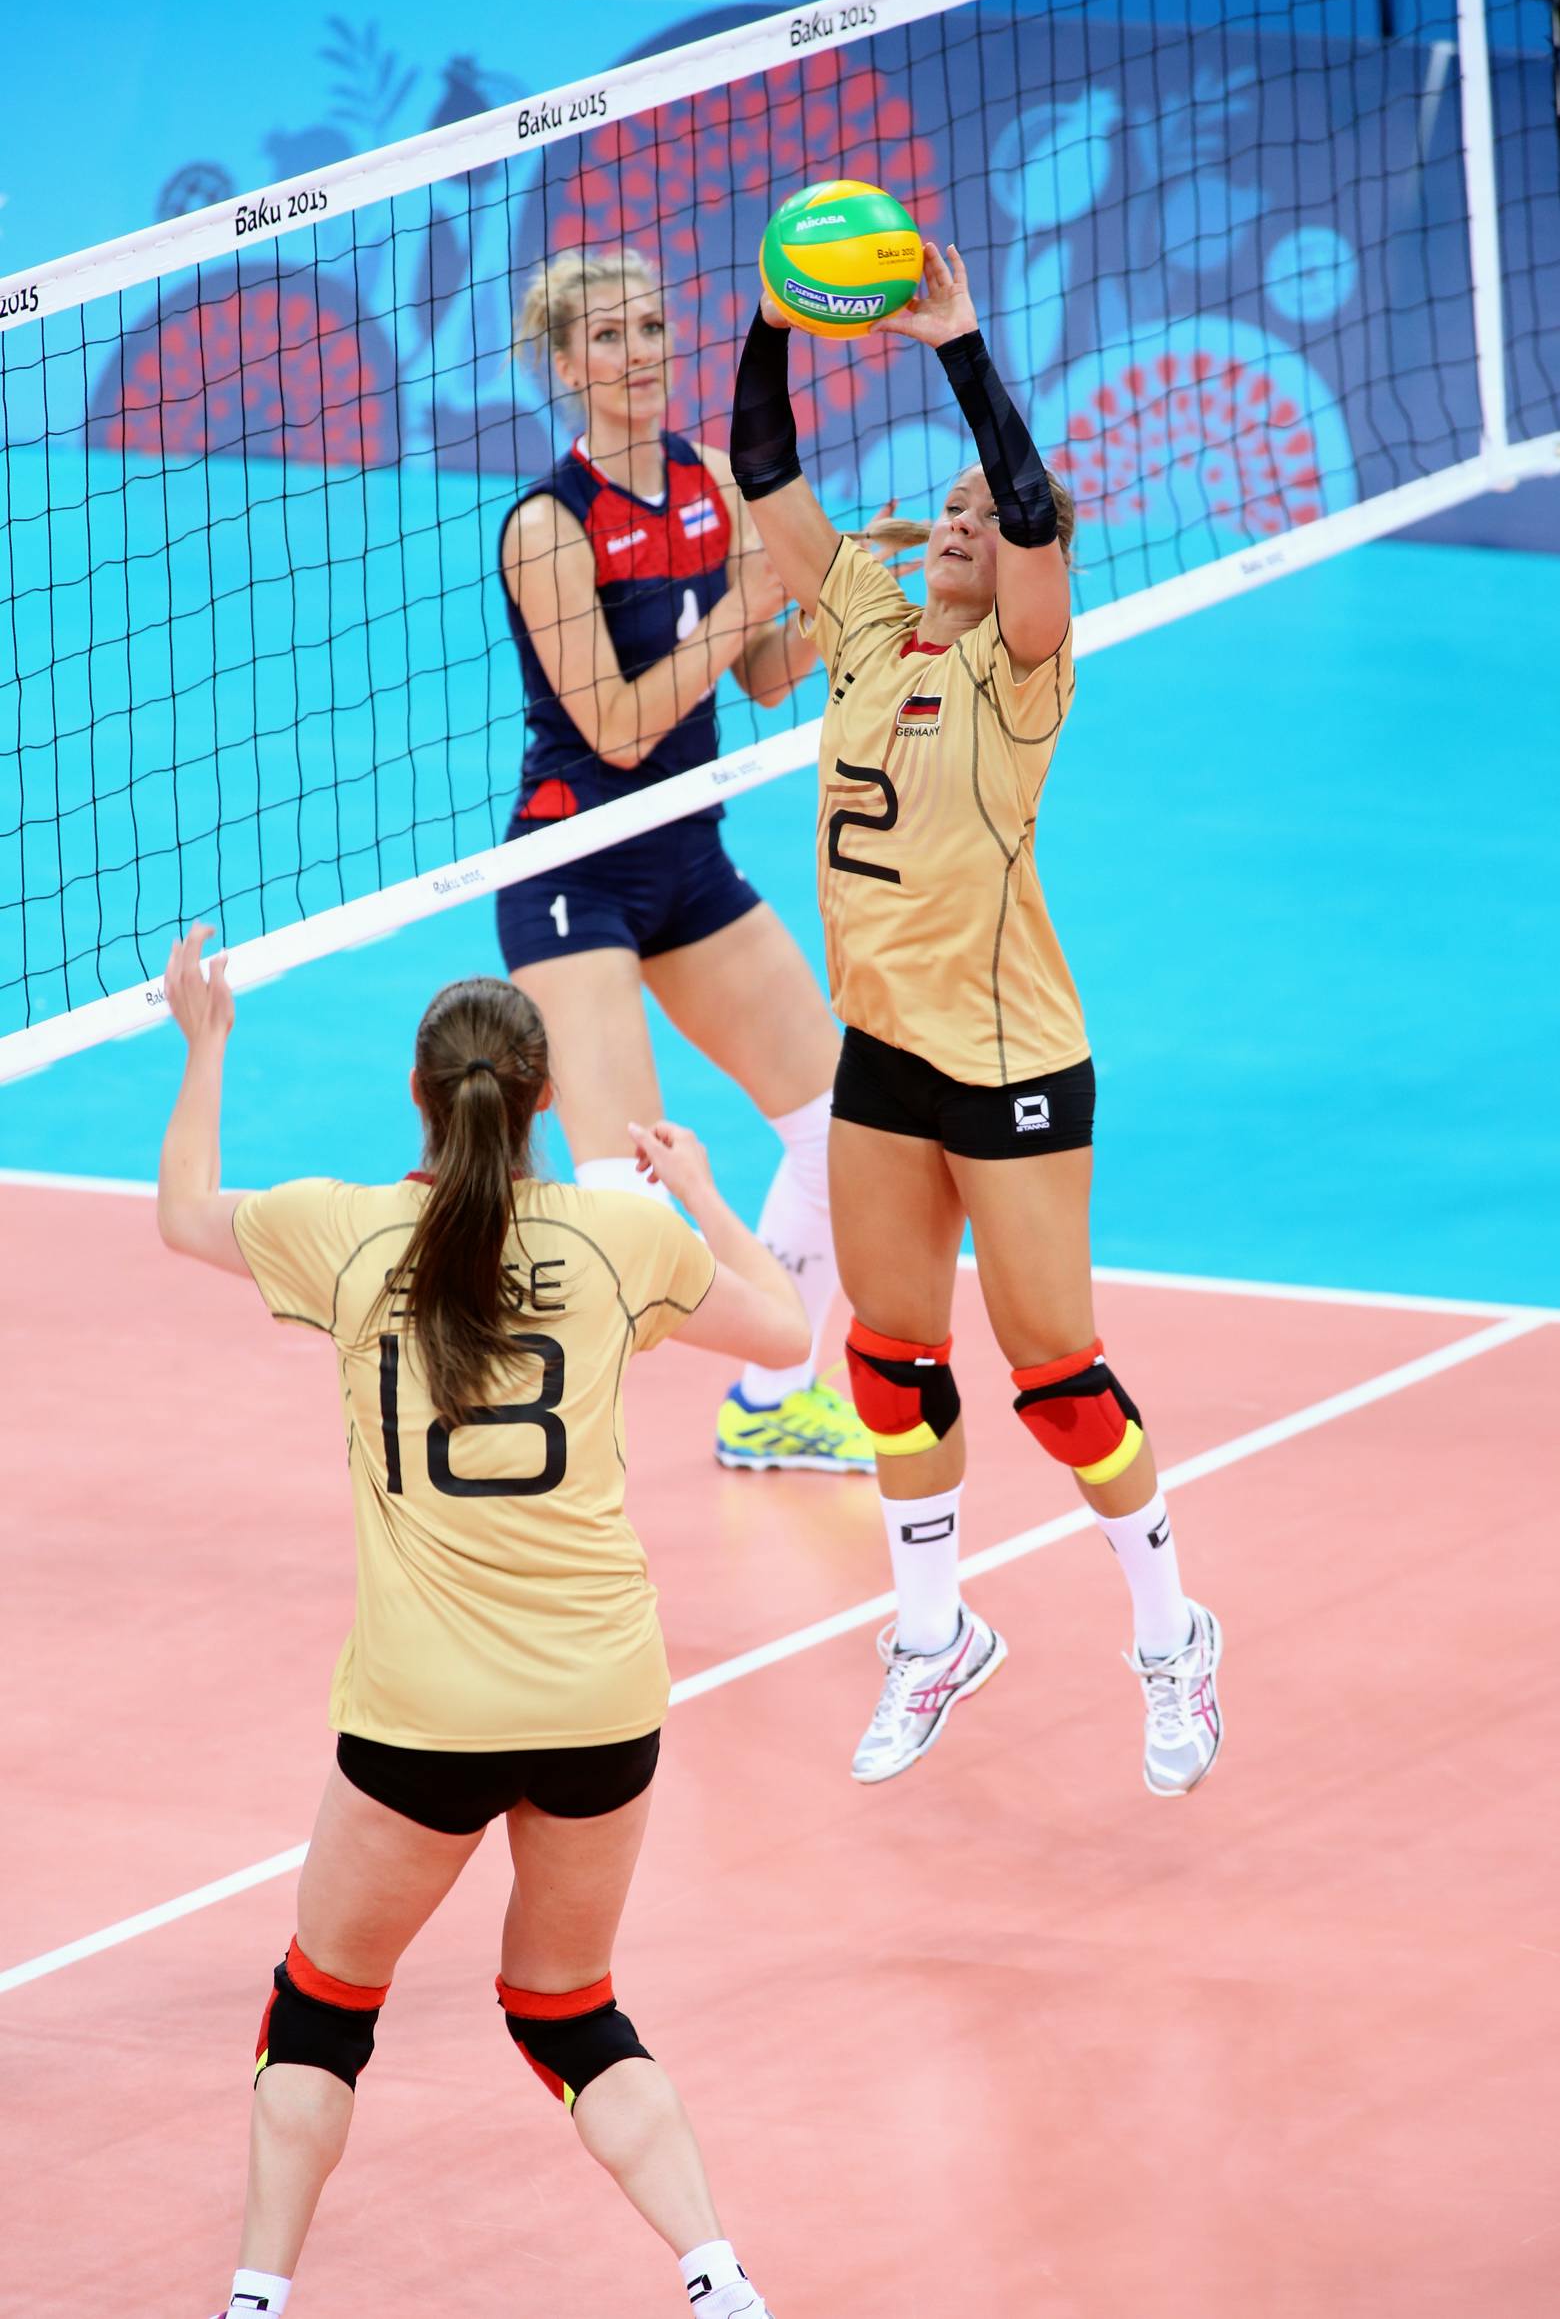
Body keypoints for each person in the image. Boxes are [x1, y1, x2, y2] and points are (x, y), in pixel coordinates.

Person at [157, 927, 804, 2319]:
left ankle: (257, 2301)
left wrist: (206, 1047)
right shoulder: (624, 1238)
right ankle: (717, 2278)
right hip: (601, 1703)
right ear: (545, 1099)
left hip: (423, 1714)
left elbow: (186, 1213)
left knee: (326, 2000)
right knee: (567, 2005)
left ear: (417, 1093)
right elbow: (786, 1334)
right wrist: (699, 1194)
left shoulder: (341, 1233)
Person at [727, 243, 1224, 1794]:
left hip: (1013, 1062)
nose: (955, 524)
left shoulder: (1025, 672)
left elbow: (1026, 506)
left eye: (975, 519)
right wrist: (771, 318)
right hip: (884, 1053)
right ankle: (934, 1634)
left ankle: (1171, 1638)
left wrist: (958, 347)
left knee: (1057, 1376)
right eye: (938, 512)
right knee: (887, 1361)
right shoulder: (867, 629)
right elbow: (765, 467)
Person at [497, 244, 872, 1473]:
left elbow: (758, 676)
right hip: (575, 868)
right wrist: (747, 599)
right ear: (564, 367)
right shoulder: (548, 525)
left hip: (687, 859)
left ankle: (772, 1402)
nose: (640, 353)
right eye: (607, 337)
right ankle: (540, 1455)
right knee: (628, 1203)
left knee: (847, 1133)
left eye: (652, 328)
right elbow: (616, 725)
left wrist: (838, 598)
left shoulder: (714, 479)